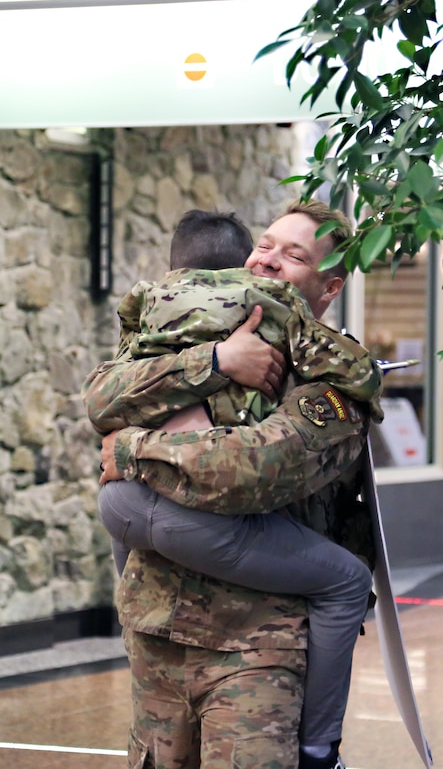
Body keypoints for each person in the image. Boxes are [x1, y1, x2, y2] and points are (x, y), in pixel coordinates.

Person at [82, 200, 382, 769]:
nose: (268, 262)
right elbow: (102, 398)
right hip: (159, 639)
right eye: (265, 245)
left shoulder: (330, 383)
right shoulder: (195, 344)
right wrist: (216, 361)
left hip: (257, 650)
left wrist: (134, 450)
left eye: (295, 256)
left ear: (329, 286)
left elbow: (255, 471)